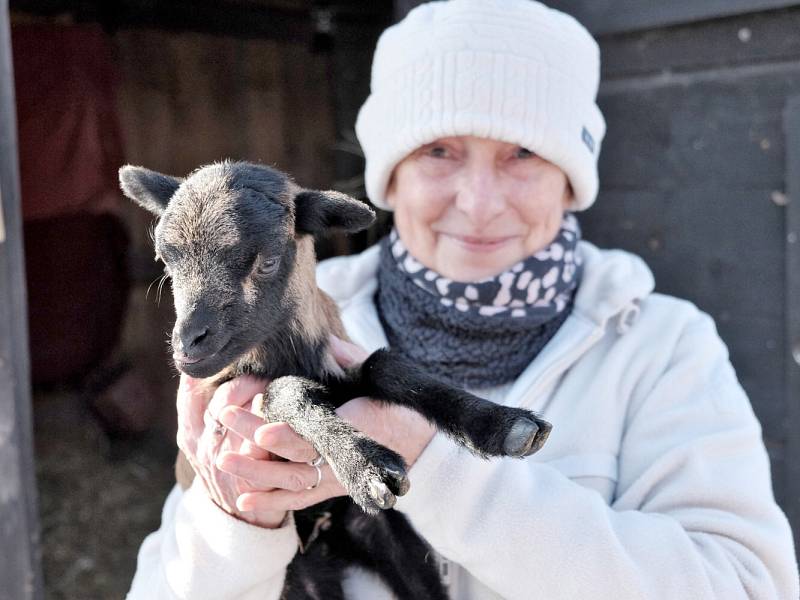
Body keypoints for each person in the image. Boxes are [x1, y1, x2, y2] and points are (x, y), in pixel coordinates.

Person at [127, 0, 800, 598]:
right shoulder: (282, 330)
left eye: (525, 153)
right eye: (440, 151)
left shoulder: (659, 348)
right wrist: (234, 520)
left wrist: (440, 466)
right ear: (389, 177)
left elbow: (747, 586)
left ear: (571, 180)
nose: (478, 205)